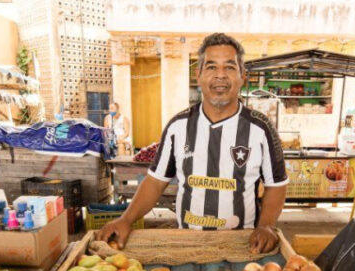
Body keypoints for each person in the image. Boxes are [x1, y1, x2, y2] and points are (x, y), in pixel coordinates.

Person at [97, 33, 288, 252]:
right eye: (211, 67)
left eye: (230, 67)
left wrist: (266, 225)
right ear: (198, 76)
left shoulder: (261, 128)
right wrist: (126, 219)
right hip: (187, 242)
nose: (220, 76)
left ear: (242, 76)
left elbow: (276, 185)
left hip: (243, 246)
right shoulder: (177, 127)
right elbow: (155, 182)